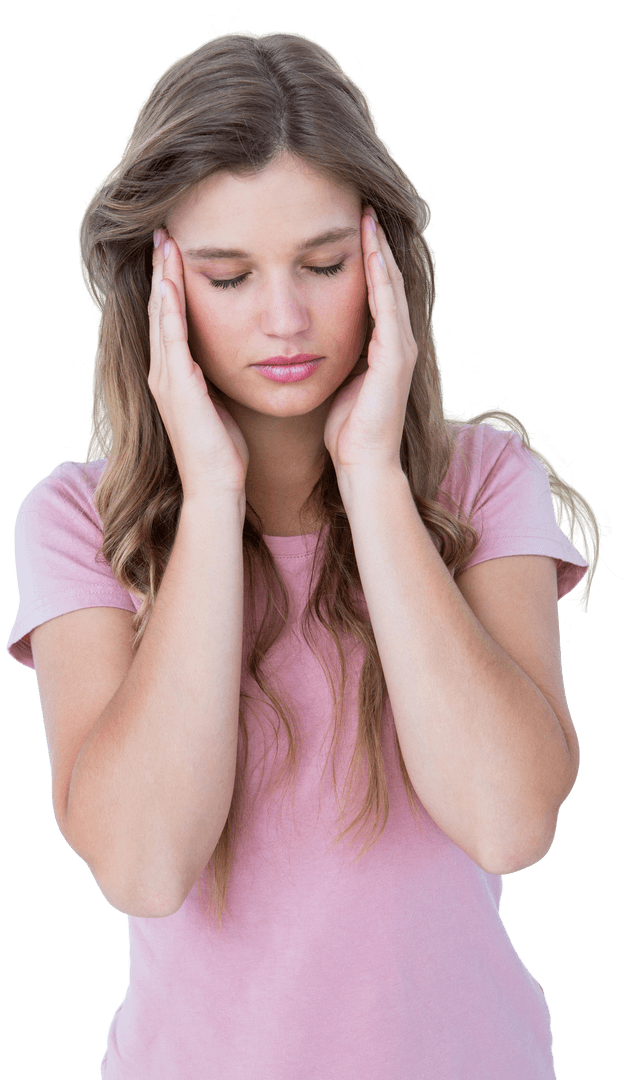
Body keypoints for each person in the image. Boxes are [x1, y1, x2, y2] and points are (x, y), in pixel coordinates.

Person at [6, 29, 598, 1079]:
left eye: (323, 265)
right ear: (160, 287)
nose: (284, 320)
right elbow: (144, 865)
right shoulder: (74, 524)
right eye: (228, 276)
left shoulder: (483, 486)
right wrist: (214, 489)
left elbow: (511, 823)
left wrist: (372, 479)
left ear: (383, 264)